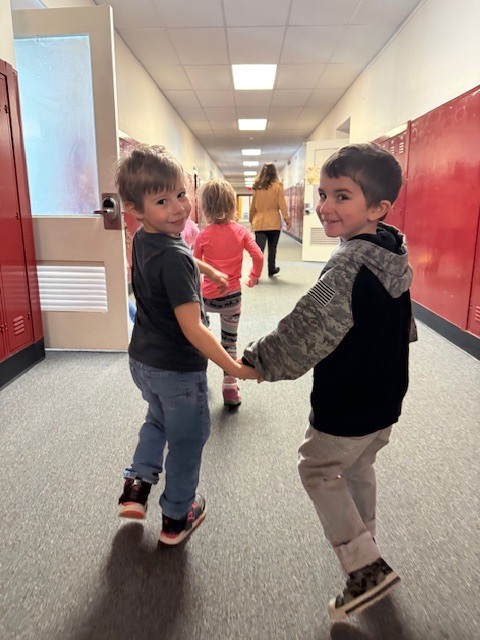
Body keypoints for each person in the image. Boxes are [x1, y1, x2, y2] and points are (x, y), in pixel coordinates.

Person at [241, 143, 417, 620]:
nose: (324, 207)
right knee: (357, 468)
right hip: (385, 398)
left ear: (378, 208)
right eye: (323, 194)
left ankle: (365, 568)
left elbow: (309, 325)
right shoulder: (393, 252)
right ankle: (367, 544)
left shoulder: (345, 265)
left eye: (342, 196)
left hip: (348, 402)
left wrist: (260, 361)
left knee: (317, 469)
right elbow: (403, 324)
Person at [115, 145, 257, 545]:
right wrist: (234, 365)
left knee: (157, 419)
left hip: (142, 360)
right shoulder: (175, 255)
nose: (178, 207)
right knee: (187, 439)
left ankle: (137, 486)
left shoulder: (145, 237)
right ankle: (177, 516)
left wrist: (207, 265)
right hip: (177, 369)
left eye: (181, 194)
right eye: (163, 200)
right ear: (135, 209)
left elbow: (175, 256)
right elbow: (193, 328)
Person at [193, 178, 264, 407]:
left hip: (206, 297)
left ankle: (198, 385)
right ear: (233, 206)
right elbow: (259, 256)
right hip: (232, 296)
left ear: (205, 208)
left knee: (202, 340)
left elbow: (193, 264)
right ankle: (230, 389)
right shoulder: (241, 232)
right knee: (229, 342)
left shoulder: (203, 235)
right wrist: (253, 276)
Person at [249, 162, 290, 277]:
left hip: (260, 222)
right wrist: (287, 219)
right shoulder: (278, 186)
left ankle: (255, 273)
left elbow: (253, 206)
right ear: (274, 172)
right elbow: (282, 205)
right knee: (272, 249)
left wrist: (252, 219)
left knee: (258, 251)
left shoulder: (257, 186)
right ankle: (271, 269)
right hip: (274, 222)